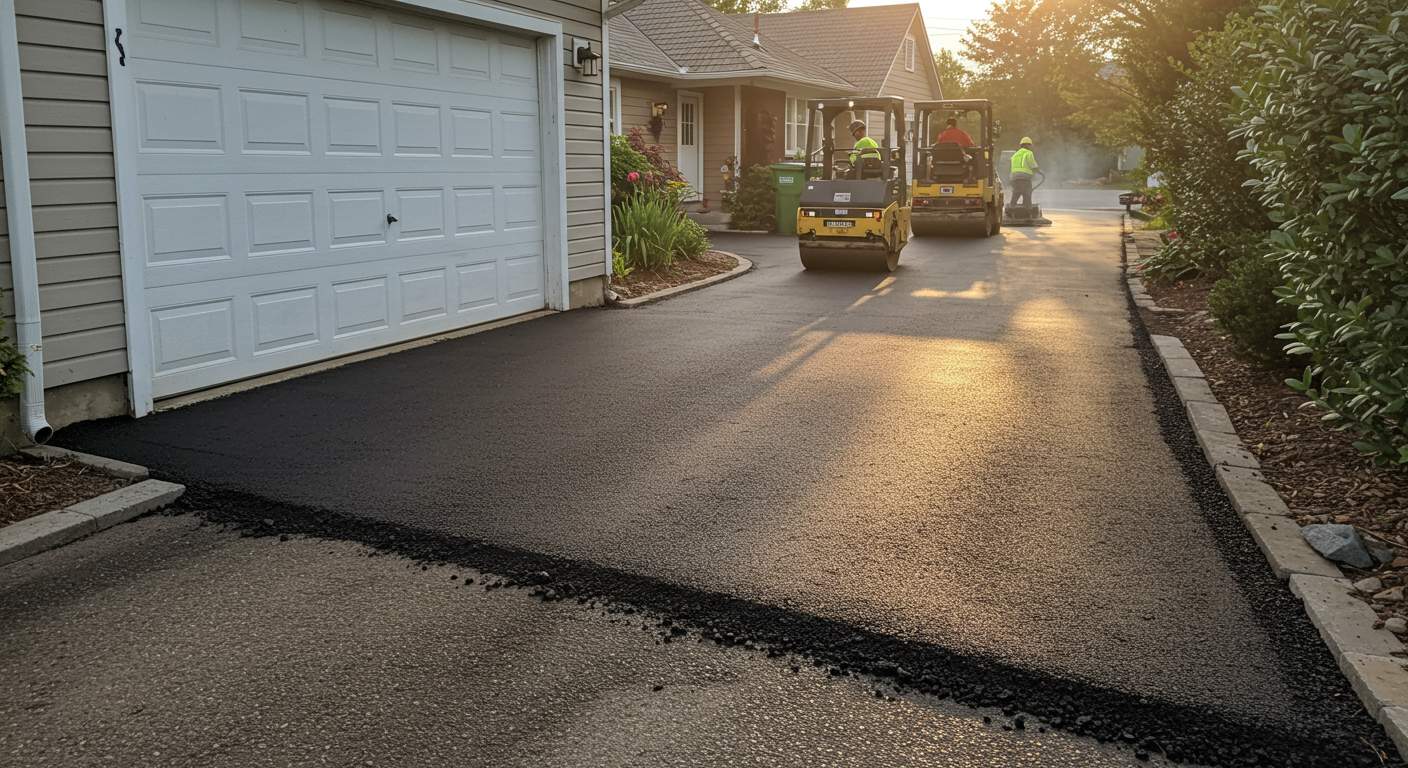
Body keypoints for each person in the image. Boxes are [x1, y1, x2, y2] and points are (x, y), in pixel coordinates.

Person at [1010, 136, 1040, 207]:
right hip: (1025, 177)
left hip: (1014, 178)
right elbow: (1033, 165)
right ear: (1028, 145)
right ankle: (1028, 208)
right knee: (1027, 193)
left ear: (1021, 145)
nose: (1030, 146)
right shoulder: (1029, 153)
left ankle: (1012, 207)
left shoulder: (1015, 155)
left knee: (1016, 193)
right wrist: (1038, 170)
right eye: (1029, 145)